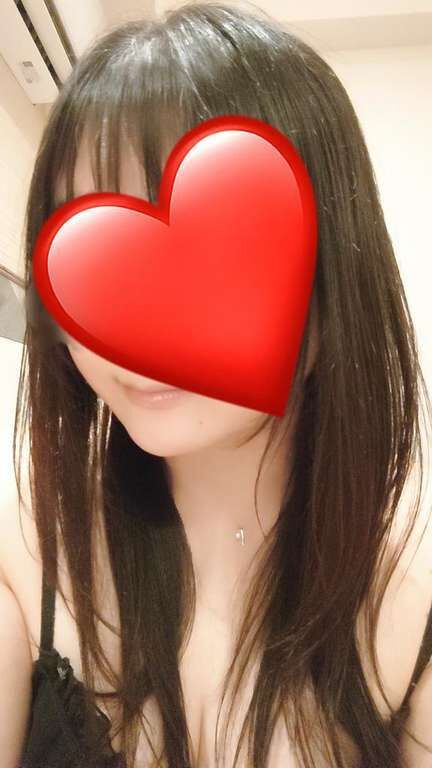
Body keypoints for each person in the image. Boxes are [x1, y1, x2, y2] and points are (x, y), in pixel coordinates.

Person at [1, 2, 431, 767]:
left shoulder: (410, 605)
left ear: (331, 273)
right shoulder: (27, 557)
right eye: (98, 259)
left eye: (220, 256)